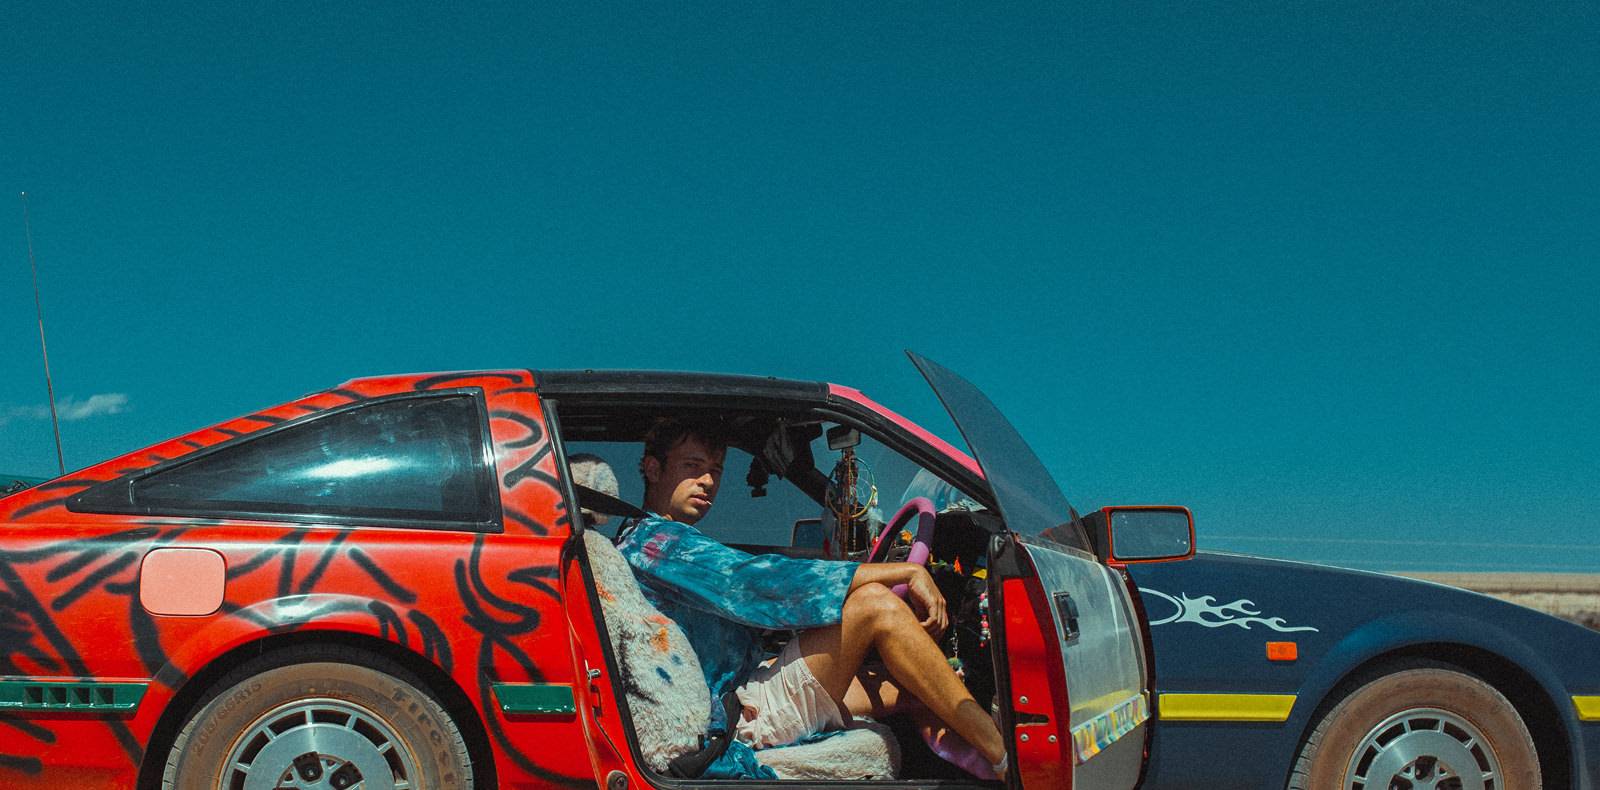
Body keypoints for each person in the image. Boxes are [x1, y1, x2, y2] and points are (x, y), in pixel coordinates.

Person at [613, 418, 1007, 780]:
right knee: (877, 607)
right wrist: (902, 571)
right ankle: (1008, 758)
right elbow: (755, 582)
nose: (707, 481)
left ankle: (979, 769)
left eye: (715, 470)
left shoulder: (655, 540)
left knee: (921, 686)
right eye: (692, 466)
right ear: (653, 469)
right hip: (734, 715)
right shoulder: (654, 543)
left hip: (739, 688)